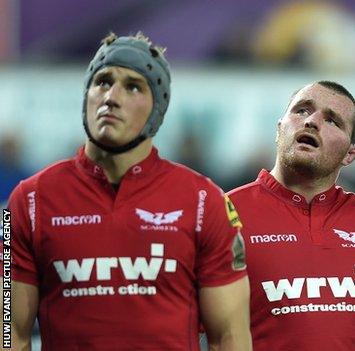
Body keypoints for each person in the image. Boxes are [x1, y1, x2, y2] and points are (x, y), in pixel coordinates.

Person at [8, 32, 251, 350]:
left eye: (133, 86)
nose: (111, 96)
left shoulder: (205, 201)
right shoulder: (30, 199)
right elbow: (9, 329)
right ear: (86, 96)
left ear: (157, 110)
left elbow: (229, 337)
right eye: (103, 82)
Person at [227, 81, 355, 350]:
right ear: (279, 128)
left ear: (350, 155)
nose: (312, 121)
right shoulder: (226, 213)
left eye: (332, 120)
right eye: (302, 110)